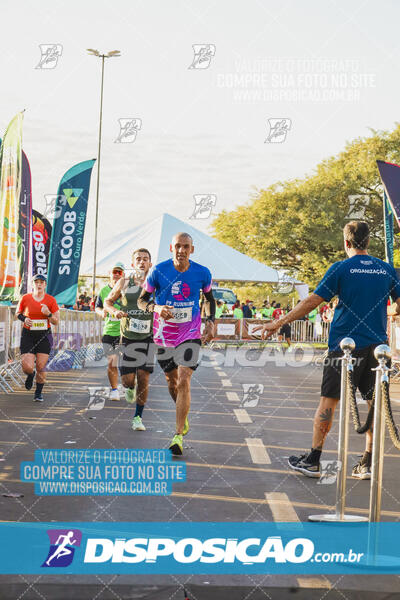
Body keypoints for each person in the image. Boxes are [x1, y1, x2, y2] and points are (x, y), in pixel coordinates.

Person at [255, 221, 400, 480]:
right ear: (368, 242)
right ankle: (367, 461)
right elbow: (398, 307)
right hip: (377, 349)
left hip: (344, 349)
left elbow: (312, 301)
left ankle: (314, 459)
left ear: (346, 242)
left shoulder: (341, 269)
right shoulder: (386, 269)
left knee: (328, 402)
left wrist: (277, 323)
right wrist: (384, 311)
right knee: (372, 403)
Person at [138, 232, 215, 455]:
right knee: (172, 381)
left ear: (192, 249)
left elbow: (209, 299)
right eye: (178, 246)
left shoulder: (202, 272)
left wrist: (210, 322)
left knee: (184, 378)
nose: (181, 250)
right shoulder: (158, 271)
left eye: (186, 247)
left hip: (190, 333)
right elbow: (143, 300)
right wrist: (157, 308)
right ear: (171, 248)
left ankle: (178, 435)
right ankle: (183, 413)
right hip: (163, 336)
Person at [105, 249, 153, 431]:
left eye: (145, 259)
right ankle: (129, 388)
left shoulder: (156, 284)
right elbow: (108, 302)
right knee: (127, 381)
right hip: (128, 337)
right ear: (133, 264)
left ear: (150, 264)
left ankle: (138, 418)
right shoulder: (125, 282)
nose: (142, 262)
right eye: (138, 259)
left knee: (144, 377)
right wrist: (115, 311)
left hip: (148, 337)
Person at [16, 274, 60, 402]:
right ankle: (30, 375)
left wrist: (48, 314)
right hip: (28, 334)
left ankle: (38, 392)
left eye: (42, 282)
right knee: (27, 367)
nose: (39, 284)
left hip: (44, 335)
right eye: (36, 282)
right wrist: (24, 319)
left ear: (45, 285)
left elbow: (56, 321)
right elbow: (17, 313)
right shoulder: (25, 298)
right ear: (32, 284)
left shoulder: (51, 300)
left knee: (41, 366)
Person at [95, 263, 125, 401]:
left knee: (128, 364)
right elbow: (97, 307)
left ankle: (130, 383)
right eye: (114, 272)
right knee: (111, 362)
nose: (116, 274)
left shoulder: (129, 291)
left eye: (119, 272)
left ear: (123, 275)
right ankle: (114, 390)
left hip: (126, 331)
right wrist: (102, 313)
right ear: (109, 273)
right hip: (109, 331)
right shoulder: (103, 291)